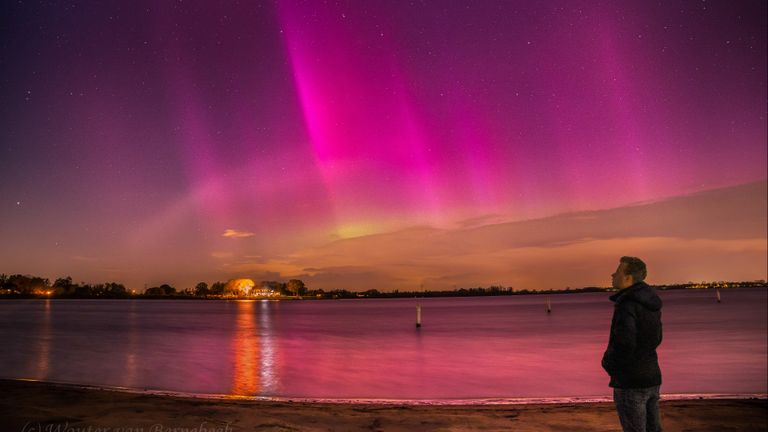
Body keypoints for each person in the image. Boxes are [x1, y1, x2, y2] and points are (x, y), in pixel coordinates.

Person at [602, 256, 663, 432]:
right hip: (652, 375)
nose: (613, 274)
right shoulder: (651, 303)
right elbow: (657, 338)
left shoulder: (627, 305)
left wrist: (608, 364)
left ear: (628, 278)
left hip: (631, 380)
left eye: (618, 271)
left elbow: (624, 344)